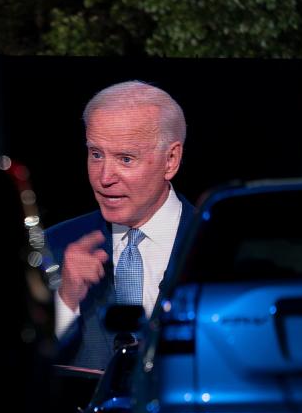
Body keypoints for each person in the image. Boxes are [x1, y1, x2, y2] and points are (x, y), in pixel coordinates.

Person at [46, 80, 195, 371]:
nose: (104, 178)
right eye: (96, 154)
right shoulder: (52, 246)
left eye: (125, 159)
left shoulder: (220, 246)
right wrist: (66, 299)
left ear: (171, 160)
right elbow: (23, 369)